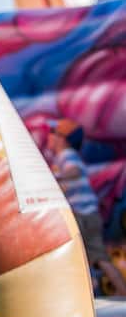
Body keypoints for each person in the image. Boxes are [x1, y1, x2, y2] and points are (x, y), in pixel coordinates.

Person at [46, 119, 125, 295]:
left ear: (63, 138)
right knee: (95, 259)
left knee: (85, 256)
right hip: (87, 215)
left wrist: (54, 179)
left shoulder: (66, 155)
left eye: (52, 133)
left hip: (82, 215)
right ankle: (103, 289)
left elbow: (74, 171)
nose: (49, 136)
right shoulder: (63, 157)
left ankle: (108, 291)